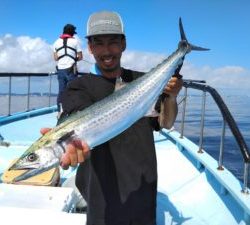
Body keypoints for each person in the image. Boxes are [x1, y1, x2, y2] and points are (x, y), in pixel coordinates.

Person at [43, 11, 183, 225]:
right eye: (98, 43)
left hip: (143, 187)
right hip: (102, 195)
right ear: (89, 47)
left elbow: (166, 122)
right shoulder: (77, 87)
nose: (107, 51)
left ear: (123, 44)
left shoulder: (143, 81)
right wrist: (70, 146)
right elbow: (76, 121)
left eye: (113, 42)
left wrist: (171, 97)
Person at [53, 24, 83, 112]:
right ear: (72, 33)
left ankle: (60, 111)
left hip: (60, 70)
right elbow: (80, 57)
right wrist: (74, 58)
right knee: (73, 90)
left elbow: (55, 58)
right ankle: (74, 111)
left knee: (61, 91)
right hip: (71, 69)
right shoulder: (75, 41)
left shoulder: (56, 42)